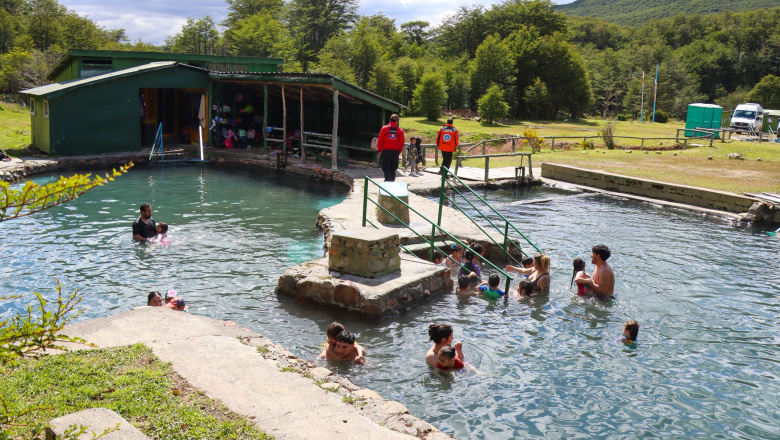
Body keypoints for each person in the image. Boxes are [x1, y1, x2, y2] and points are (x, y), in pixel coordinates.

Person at [376, 114, 405, 182]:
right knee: (393, 168)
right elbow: (402, 143)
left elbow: (380, 141)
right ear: (396, 121)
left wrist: (380, 150)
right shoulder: (400, 131)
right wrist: (398, 152)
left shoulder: (384, 129)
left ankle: (388, 181)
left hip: (386, 152)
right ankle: (391, 181)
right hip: (395, 152)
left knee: (386, 168)